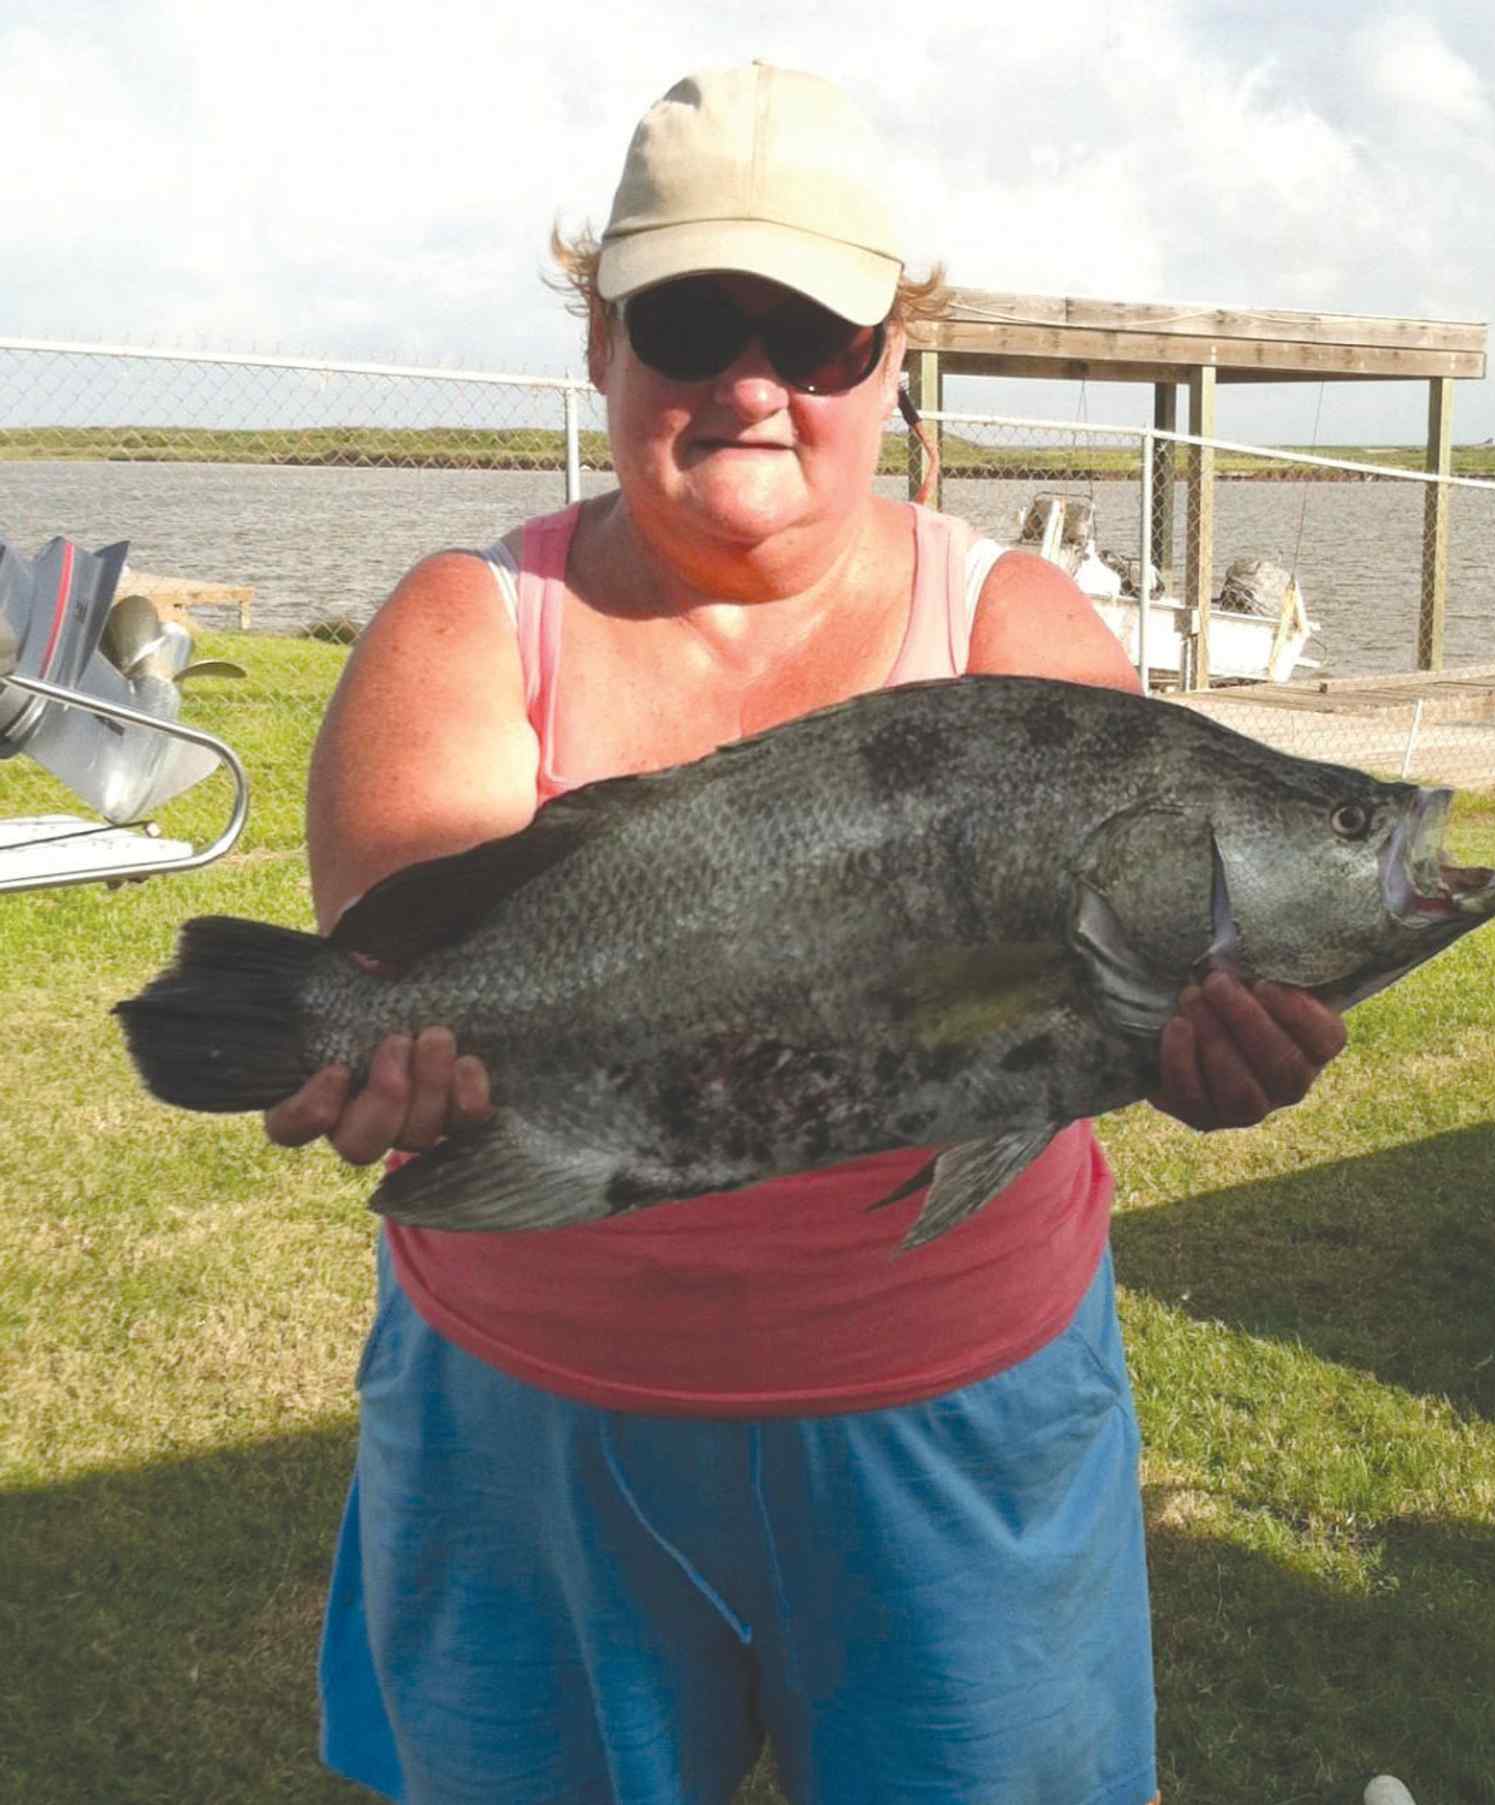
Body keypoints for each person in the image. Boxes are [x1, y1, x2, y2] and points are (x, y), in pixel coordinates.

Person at [267, 62, 1347, 1805]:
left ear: (894, 357)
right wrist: (387, 1059)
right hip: (534, 1436)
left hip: (958, 1426)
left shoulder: (1016, 629)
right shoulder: (474, 626)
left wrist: (1199, 1051)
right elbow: (415, 974)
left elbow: (1091, 1003)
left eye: (819, 335)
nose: (752, 382)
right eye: (690, 321)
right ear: (601, 341)